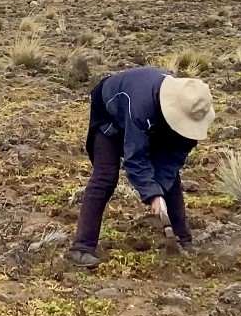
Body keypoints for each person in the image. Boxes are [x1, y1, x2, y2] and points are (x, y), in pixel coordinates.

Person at [67, 67, 216, 268]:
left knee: (170, 179)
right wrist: (153, 195)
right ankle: (81, 248)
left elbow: (171, 161)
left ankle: (183, 239)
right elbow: (135, 158)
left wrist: (160, 187)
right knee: (105, 177)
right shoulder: (141, 105)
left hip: (151, 118)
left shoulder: (193, 109)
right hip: (109, 112)